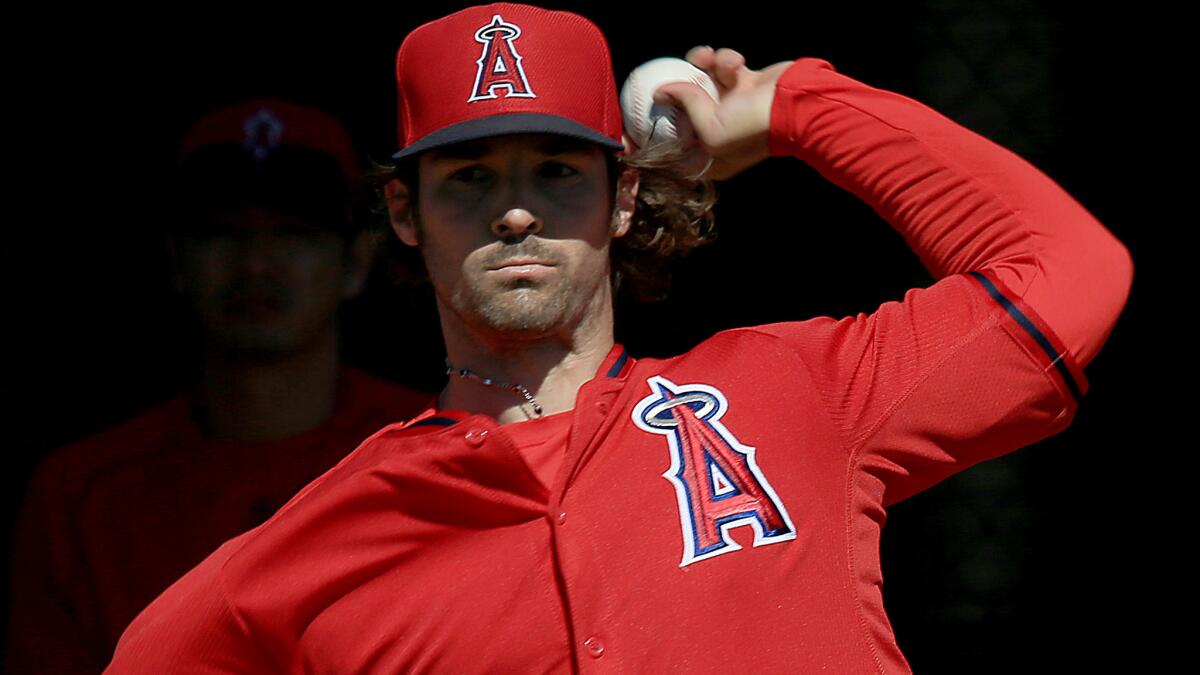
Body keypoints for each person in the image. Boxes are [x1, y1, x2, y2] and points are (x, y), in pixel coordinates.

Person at [105, 3, 1132, 673]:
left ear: (626, 196)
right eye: (470, 180)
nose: (515, 213)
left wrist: (797, 108)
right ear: (406, 216)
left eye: (556, 170)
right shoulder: (317, 541)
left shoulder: (799, 395)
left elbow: (1069, 277)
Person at [5, 98, 433, 674]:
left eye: (293, 234)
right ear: (177, 259)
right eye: (222, 234)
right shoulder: (82, 492)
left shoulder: (431, 453)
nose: (255, 264)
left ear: (356, 260)